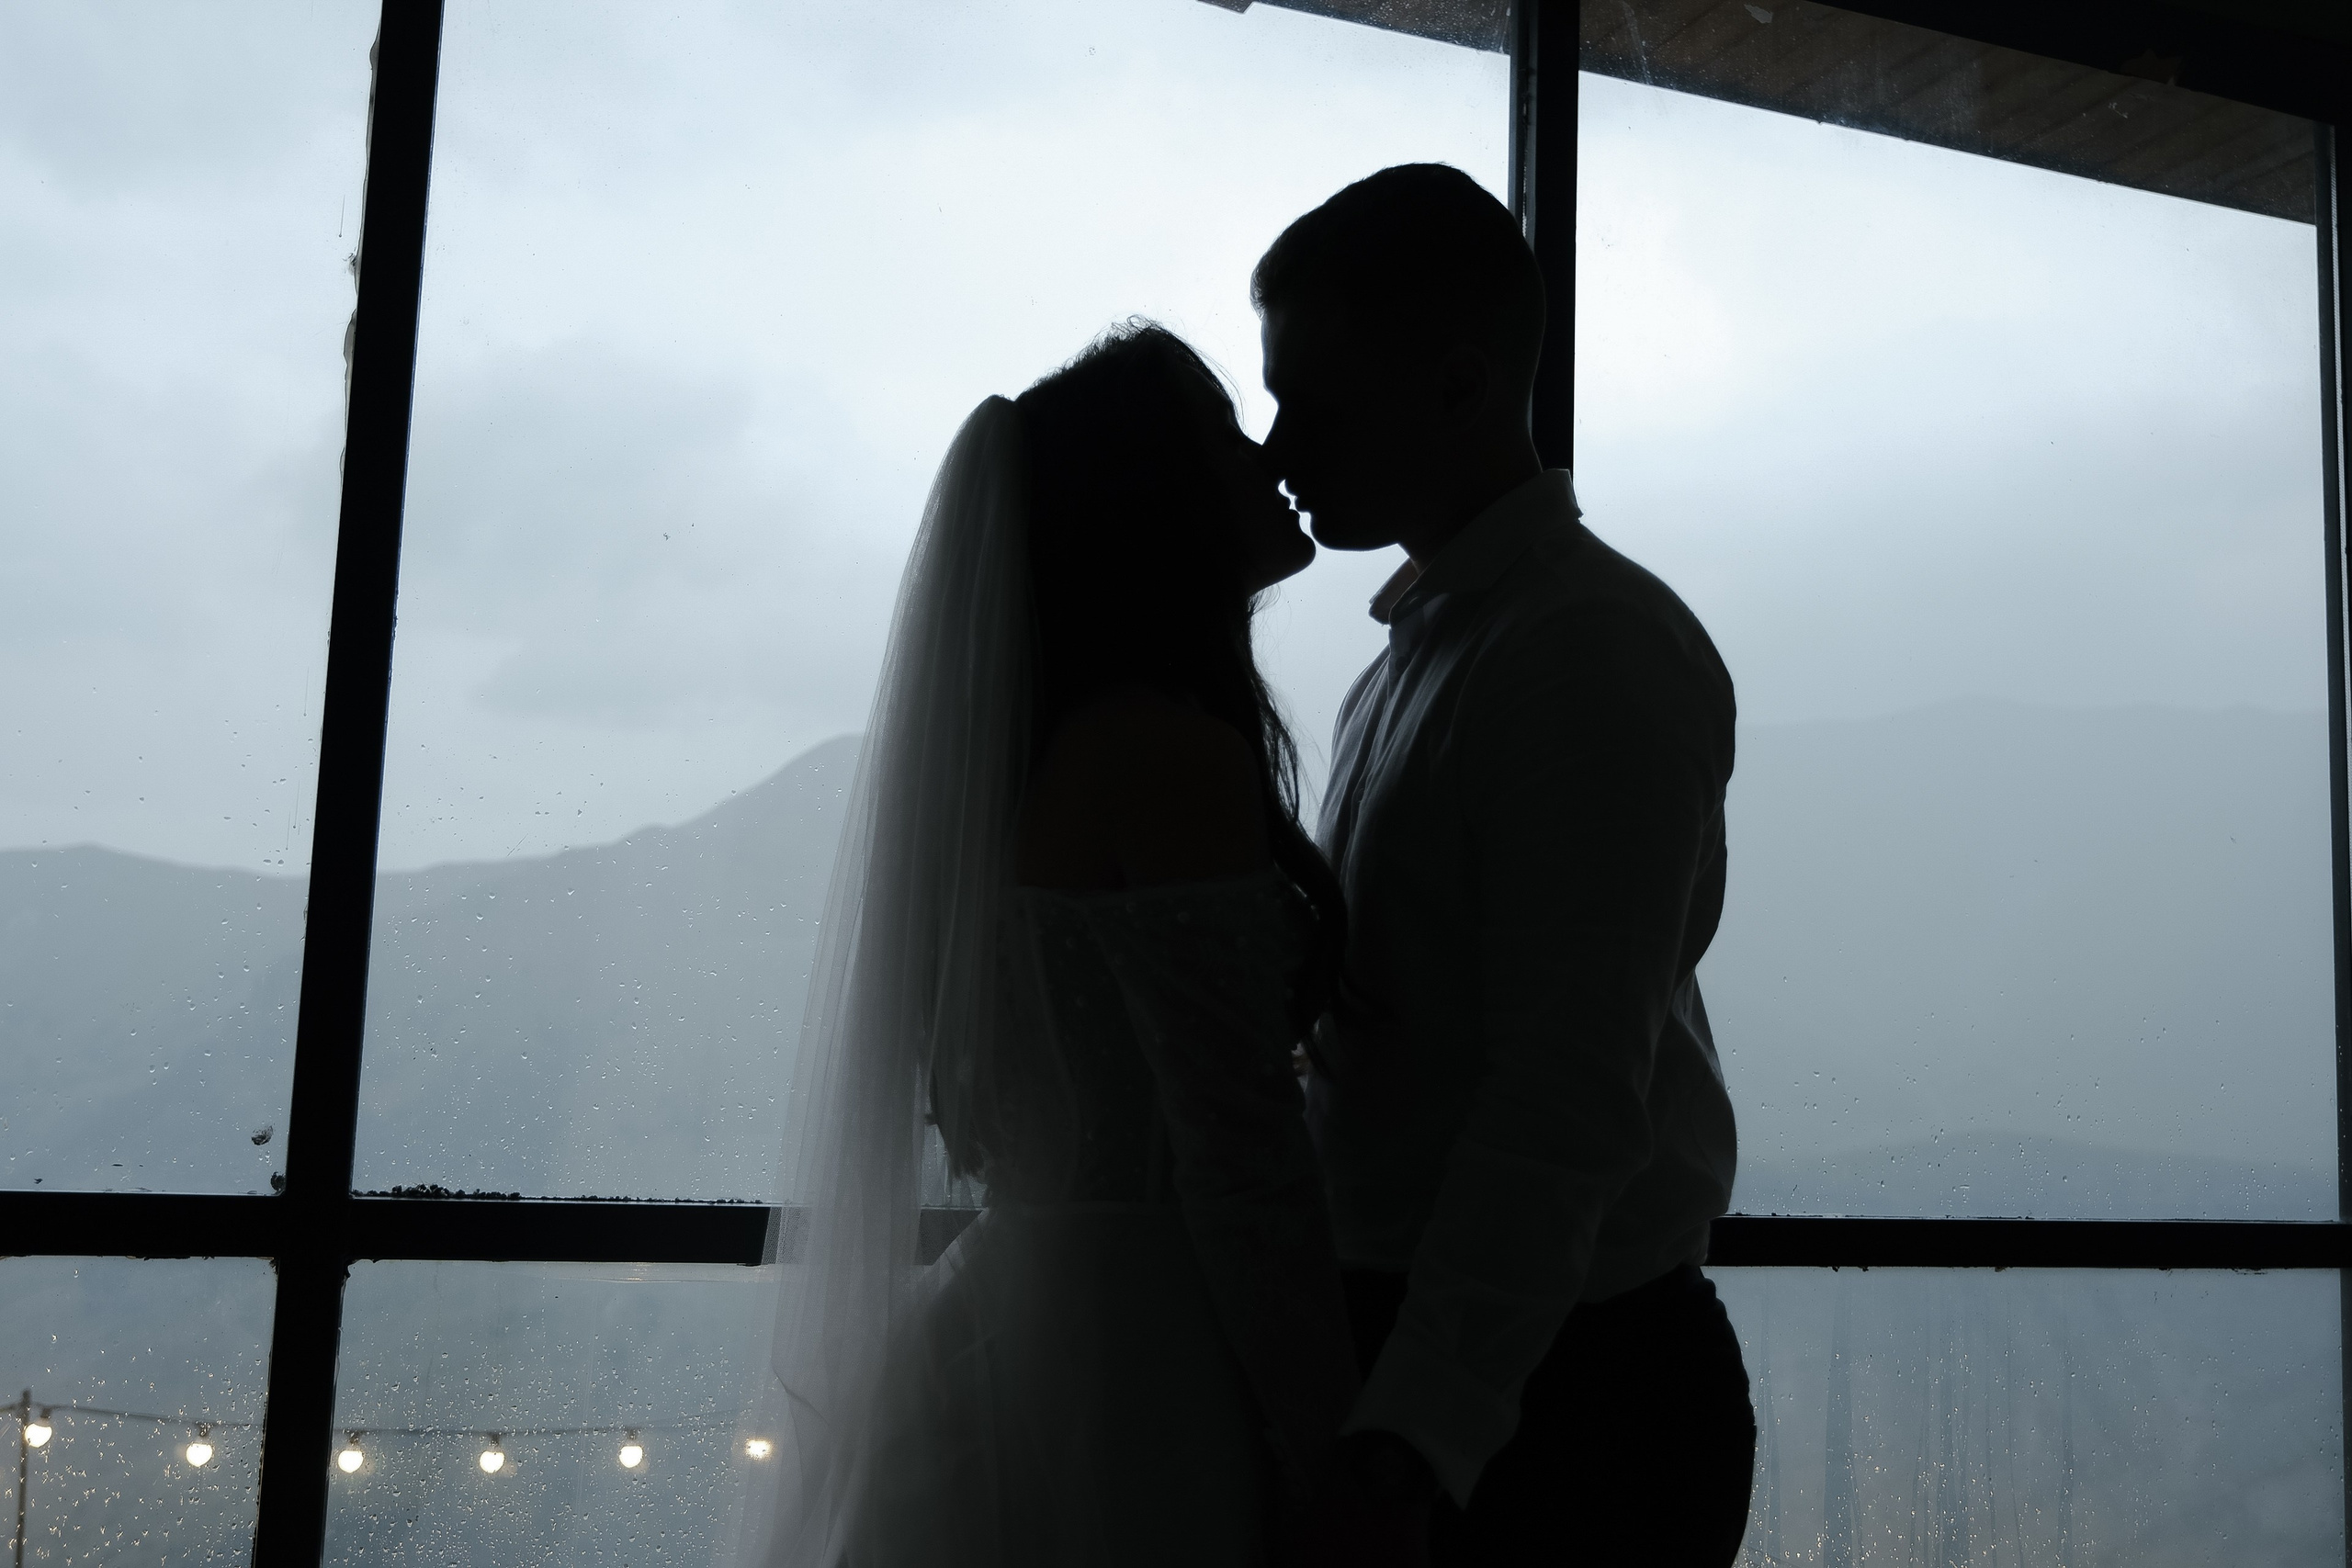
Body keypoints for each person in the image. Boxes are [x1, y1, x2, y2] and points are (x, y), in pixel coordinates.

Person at [754, 322, 1363, 1567]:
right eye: (1226, 438)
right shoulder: (1161, 752)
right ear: (1160, 499)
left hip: (1004, 1322)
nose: (1267, 460)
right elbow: (1240, 1149)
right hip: (1137, 1360)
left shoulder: (1034, 762)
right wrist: (1337, 1448)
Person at [1256, 164, 1756, 1565]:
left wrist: (1412, 1442)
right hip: (1499, 1378)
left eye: (1313, 401)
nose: (1276, 447)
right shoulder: (1434, 660)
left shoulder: (1585, 655)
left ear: (1461, 384)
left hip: (1564, 1415)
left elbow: (1566, 1091)